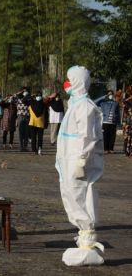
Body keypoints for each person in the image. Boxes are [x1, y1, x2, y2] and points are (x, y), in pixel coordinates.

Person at [56, 66, 105, 266]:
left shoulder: (85, 106)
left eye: (69, 79)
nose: (66, 83)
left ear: (77, 81)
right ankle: (84, 243)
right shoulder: (75, 104)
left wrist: (82, 161)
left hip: (78, 163)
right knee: (72, 198)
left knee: (80, 200)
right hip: (69, 161)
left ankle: (88, 245)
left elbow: (88, 137)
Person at [29, 91, 48, 156]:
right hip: (40, 123)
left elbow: (25, 99)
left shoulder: (32, 103)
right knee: (39, 138)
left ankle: (34, 150)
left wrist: (32, 95)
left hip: (33, 122)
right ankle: (39, 149)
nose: (38, 97)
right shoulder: (44, 104)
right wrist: (46, 123)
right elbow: (46, 114)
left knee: (34, 137)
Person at [122, 87, 132, 157]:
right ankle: (126, 151)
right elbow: (123, 103)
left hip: (128, 122)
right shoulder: (126, 102)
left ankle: (129, 152)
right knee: (127, 137)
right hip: (127, 122)